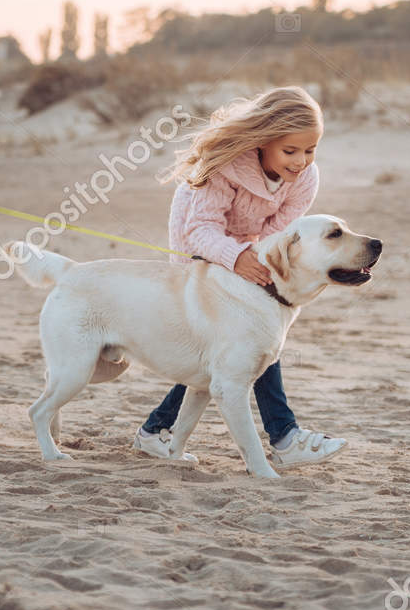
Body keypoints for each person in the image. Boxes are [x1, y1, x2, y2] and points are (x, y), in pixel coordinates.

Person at [132, 86, 345, 468]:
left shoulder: (306, 178)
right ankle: (285, 436)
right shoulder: (224, 167)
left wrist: (254, 258)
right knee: (245, 336)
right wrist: (235, 257)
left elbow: (279, 236)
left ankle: (155, 430)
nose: (301, 161)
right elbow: (201, 230)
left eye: (310, 150)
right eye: (290, 151)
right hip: (199, 241)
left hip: (252, 247)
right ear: (263, 141)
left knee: (226, 349)